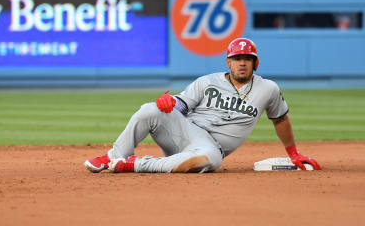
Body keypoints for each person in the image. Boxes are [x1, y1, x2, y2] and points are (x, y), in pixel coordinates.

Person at [84, 37, 321, 173]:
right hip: (186, 131)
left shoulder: (268, 89)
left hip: (212, 147)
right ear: (228, 61)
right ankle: (113, 156)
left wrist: (293, 153)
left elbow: (280, 119)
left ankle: (133, 164)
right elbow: (181, 105)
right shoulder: (207, 81)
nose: (242, 63)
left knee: (209, 161)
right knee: (150, 109)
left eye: (247, 59)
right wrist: (170, 102)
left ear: (255, 63)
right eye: (237, 58)